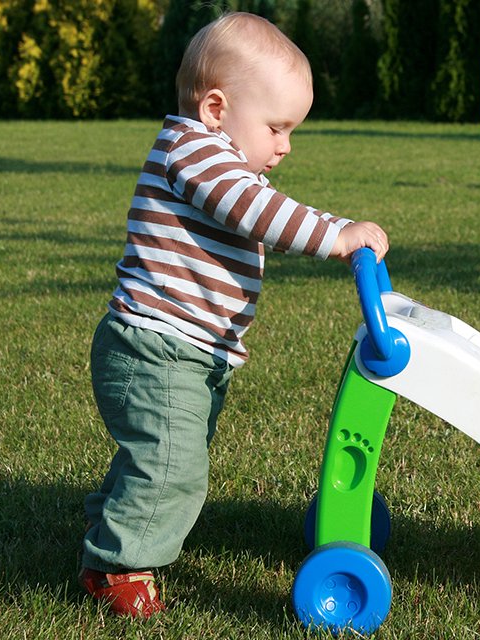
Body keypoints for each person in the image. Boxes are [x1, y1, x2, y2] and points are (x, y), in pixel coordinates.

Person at [79, 11, 389, 618]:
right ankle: (118, 569)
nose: (285, 145)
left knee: (165, 453)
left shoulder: (209, 154)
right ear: (217, 109)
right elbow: (258, 211)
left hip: (189, 353)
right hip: (155, 348)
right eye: (276, 126)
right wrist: (338, 235)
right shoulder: (194, 150)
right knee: (173, 465)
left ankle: (112, 526)